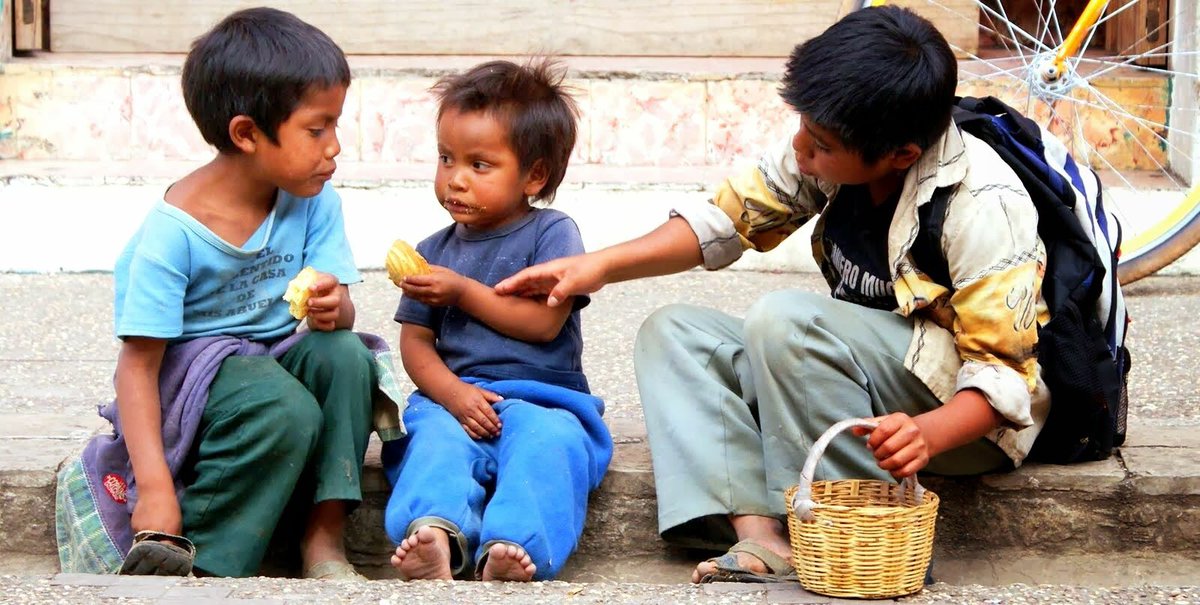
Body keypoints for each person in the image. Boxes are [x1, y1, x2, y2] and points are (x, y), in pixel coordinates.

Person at [496, 6, 1047, 583]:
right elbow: (727, 222)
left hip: (962, 423)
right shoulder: (829, 148)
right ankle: (762, 538)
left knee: (785, 319)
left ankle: (848, 542)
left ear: (901, 154)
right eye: (802, 125)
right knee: (673, 334)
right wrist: (597, 267)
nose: (801, 147)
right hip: (859, 395)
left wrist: (928, 434)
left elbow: (1004, 383)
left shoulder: (984, 202)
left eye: (821, 142)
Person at [57, 7, 402, 580]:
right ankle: (208, 565)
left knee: (347, 356)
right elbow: (138, 368)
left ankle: (324, 539)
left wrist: (332, 308)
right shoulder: (174, 233)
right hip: (192, 377)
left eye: (336, 126)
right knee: (280, 404)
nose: (334, 147)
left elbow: (341, 312)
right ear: (246, 133)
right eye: (317, 129)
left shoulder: (314, 199)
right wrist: (156, 490)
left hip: (277, 357)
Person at [380, 59, 612, 583]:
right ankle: (434, 535)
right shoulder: (430, 252)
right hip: (455, 399)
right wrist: (451, 394)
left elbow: (543, 325)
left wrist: (461, 291)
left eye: (479, 165)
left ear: (534, 175)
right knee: (431, 444)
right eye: (446, 159)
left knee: (548, 448)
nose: (455, 179)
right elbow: (416, 343)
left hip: (542, 399)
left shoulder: (552, 235)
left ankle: (513, 546)